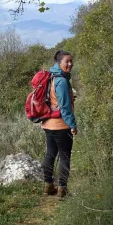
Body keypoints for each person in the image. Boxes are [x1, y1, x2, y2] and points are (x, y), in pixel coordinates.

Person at [42, 50, 77, 198]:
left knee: (50, 154)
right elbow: (64, 107)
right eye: (66, 61)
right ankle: (62, 189)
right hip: (61, 125)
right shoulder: (61, 81)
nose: (70, 64)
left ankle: (48, 186)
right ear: (59, 63)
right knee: (64, 156)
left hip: (48, 124)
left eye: (71, 61)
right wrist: (73, 124)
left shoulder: (51, 77)